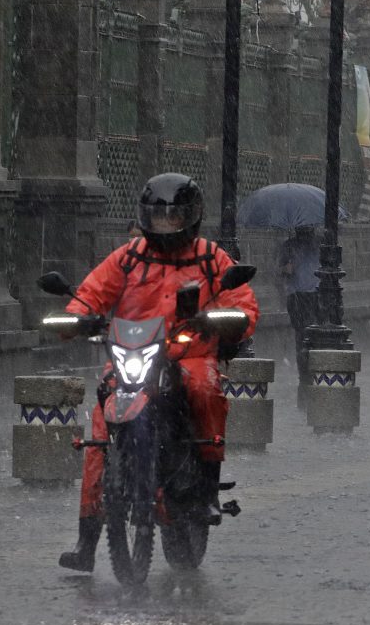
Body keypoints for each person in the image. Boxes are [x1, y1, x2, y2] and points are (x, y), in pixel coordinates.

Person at [58, 173, 259, 572]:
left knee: (204, 390)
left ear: (191, 217)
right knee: (100, 426)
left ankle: (205, 486)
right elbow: (91, 292)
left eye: (174, 216)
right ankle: (87, 536)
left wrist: (224, 320)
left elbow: (242, 303)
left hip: (189, 354)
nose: (166, 224)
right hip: (132, 355)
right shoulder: (129, 257)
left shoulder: (210, 257)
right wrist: (77, 317)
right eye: (160, 216)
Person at [277, 225, 320, 372]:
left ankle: (305, 359)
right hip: (300, 293)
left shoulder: (316, 245)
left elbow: (280, 270)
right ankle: (305, 360)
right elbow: (281, 270)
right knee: (303, 329)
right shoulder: (290, 246)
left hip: (308, 293)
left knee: (303, 330)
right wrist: (286, 268)